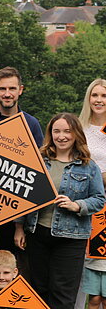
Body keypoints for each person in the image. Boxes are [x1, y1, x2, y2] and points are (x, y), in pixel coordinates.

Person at [14, 113, 105, 309]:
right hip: (38, 234)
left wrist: (77, 205)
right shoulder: (39, 160)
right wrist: (19, 227)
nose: (61, 136)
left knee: (63, 293)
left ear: (76, 135)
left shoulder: (88, 167)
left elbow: (99, 199)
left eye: (67, 131)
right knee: (39, 289)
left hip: (71, 239)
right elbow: (24, 196)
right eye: (57, 131)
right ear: (50, 133)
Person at [0, 67, 44, 278]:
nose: (7, 93)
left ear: (21, 90)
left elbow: (38, 168)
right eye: (3, 89)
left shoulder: (32, 124)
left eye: (12, 88)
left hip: (16, 204)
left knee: (13, 261)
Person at [80, 79, 106, 309]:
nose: (99, 100)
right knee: (88, 267)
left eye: (103, 96)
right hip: (86, 201)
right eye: (94, 95)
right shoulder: (80, 128)